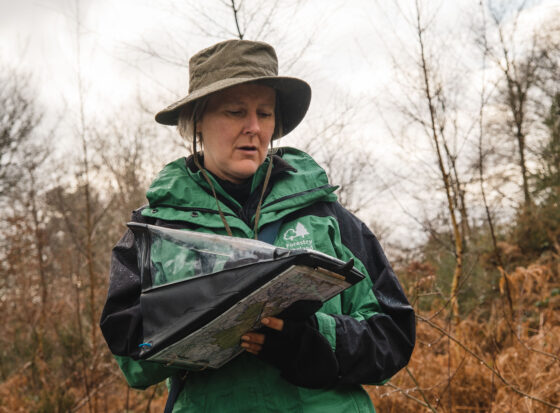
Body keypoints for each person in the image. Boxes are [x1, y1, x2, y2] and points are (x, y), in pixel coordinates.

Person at [100, 39, 415, 413]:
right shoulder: (153, 229)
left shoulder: (325, 214)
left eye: (264, 114)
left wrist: (314, 342)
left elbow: (392, 337)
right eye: (235, 112)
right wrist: (206, 314)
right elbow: (131, 359)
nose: (253, 128)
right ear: (197, 120)